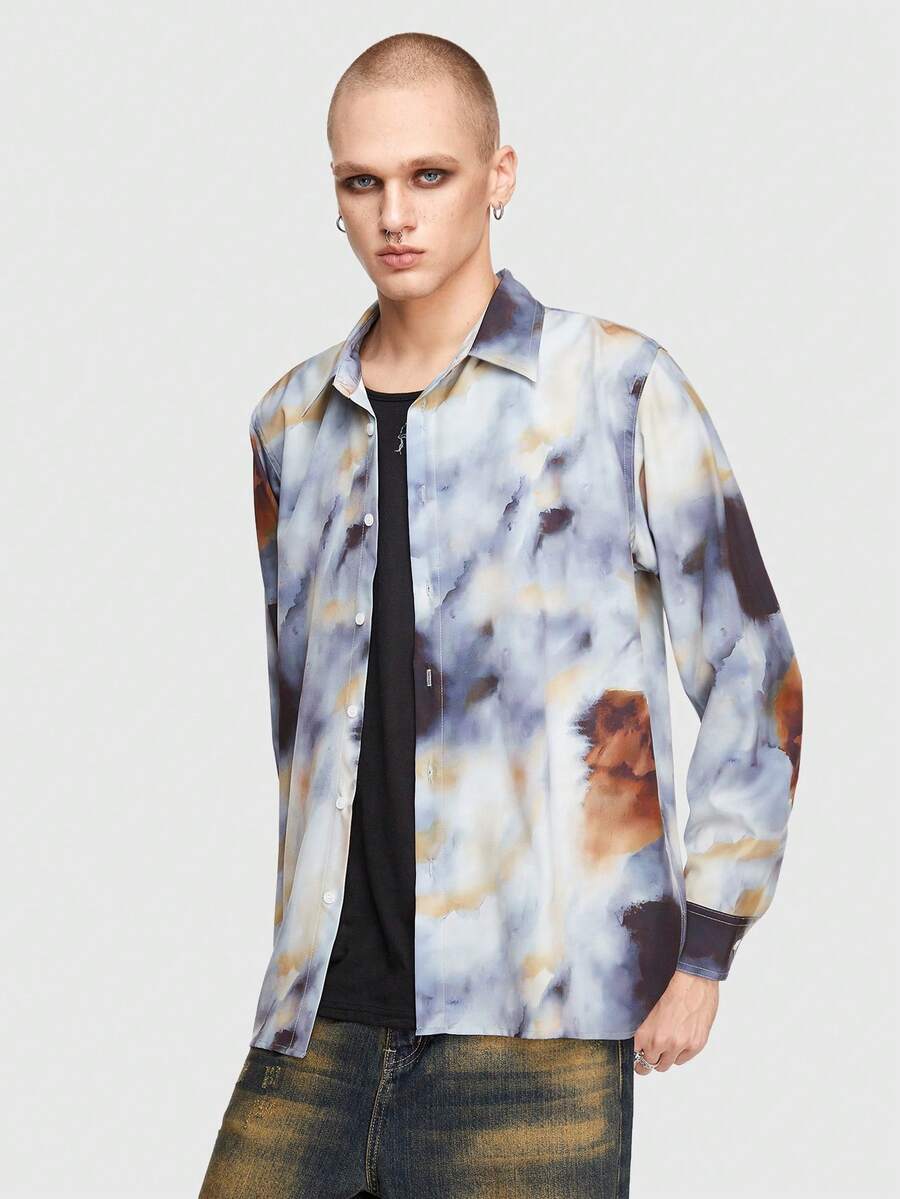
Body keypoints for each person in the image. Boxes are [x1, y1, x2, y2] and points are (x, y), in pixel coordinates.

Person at [199, 31, 803, 1199]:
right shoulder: (288, 425)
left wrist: (709, 940)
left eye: (429, 174)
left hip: (536, 1018)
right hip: (319, 1016)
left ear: (499, 175)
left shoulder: (616, 385)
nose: (395, 215)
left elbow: (752, 668)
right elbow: (304, 718)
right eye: (362, 182)